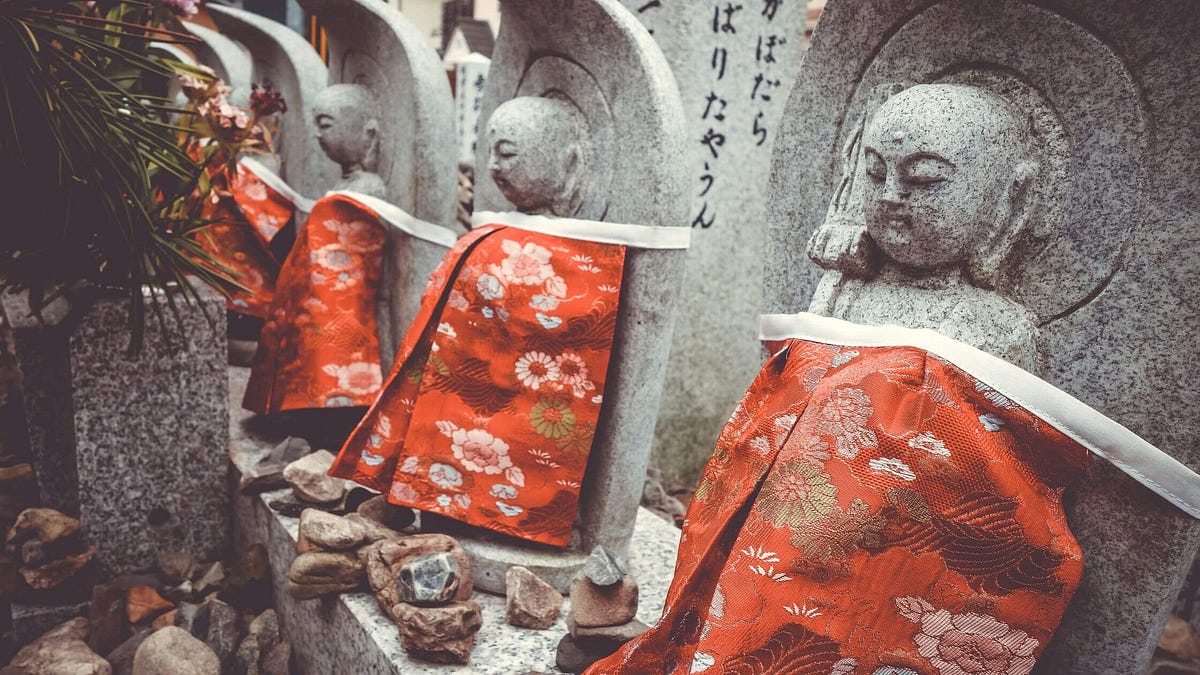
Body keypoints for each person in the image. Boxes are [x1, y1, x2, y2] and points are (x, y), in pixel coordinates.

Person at [328, 95, 689, 548]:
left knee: (528, 428)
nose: (494, 166)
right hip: (466, 372)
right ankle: (444, 494)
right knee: (449, 416)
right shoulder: (500, 228)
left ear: (568, 161)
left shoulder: (588, 258)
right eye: (490, 153)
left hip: (527, 383)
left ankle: (507, 513)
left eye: (509, 152)